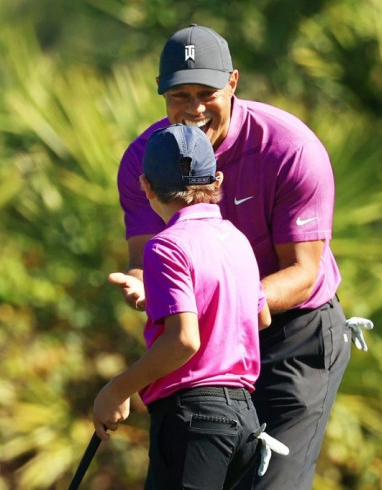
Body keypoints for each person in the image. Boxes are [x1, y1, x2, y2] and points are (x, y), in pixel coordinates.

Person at [109, 24, 352, 489]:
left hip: (295, 337)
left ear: (233, 83)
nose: (194, 108)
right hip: (212, 340)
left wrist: (230, 302)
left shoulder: (290, 149)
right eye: (180, 95)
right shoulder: (145, 160)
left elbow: (304, 270)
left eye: (207, 93)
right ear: (161, 93)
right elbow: (144, 254)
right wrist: (146, 283)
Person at [92, 123, 272, 489]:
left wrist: (118, 388)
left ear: (146, 186)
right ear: (217, 179)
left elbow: (184, 341)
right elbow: (261, 317)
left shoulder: (165, 246)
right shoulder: (236, 239)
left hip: (194, 420)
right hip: (245, 420)